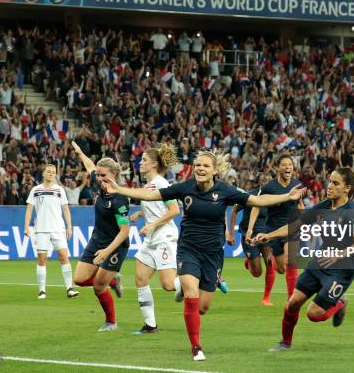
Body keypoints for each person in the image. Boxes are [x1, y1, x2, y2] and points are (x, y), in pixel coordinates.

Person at [102, 149, 305, 361]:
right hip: (188, 248)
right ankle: (196, 347)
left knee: (202, 307)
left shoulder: (225, 190)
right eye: (198, 165)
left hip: (213, 254)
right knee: (191, 294)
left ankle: (198, 285)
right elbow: (153, 195)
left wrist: (287, 196)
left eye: (206, 166)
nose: (200, 168)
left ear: (215, 171)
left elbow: (256, 200)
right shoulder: (185, 187)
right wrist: (120, 189)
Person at [252, 167, 354, 351]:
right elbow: (296, 225)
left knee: (313, 314)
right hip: (320, 263)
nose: (330, 186)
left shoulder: (352, 211)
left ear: (347, 188)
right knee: (292, 304)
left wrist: (340, 253)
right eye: (330, 181)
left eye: (336, 183)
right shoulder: (323, 206)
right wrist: (269, 236)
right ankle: (285, 343)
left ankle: (339, 303)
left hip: (342, 270)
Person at [70, 141, 129, 332]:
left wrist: (106, 251)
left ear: (115, 175)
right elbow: (89, 166)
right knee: (78, 279)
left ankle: (111, 322)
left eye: (104, 176)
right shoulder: (100, 183)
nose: (100, 179)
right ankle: (113, 281)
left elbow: (124, 232)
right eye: (99, 175)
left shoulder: (120, 198)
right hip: (97, 241)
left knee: (97, 287)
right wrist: (79, 152)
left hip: (115, 246)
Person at [131, 144, 182, 334]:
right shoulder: (149, 186)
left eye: (144, 159)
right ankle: (150, 325)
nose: (140, 162)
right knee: (140, 278)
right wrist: (141, 214)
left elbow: (174, 210)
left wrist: (152, 224)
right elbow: (157, 209)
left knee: (168, 285)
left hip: (164, 237)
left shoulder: (161, 183)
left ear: (153, 164)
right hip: (152, 239)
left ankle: (201, 280)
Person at [249, 153, 304, 300]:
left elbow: (300, 204)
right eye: (284, 165)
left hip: (290, 227)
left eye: (290, 165)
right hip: (273, 229)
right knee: (281, 268)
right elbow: (256, 205)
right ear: (277, 168)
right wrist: (250, 229)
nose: (288, 167)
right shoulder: (269, 187)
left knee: (291, 260)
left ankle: (291, 299)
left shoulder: (297, 185)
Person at [24, 164, 78, 299]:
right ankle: (42, 291)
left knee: (64, 257)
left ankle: (69, 289)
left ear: (55, 175)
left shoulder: (59, 190)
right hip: (41, 229)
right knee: (42, 259)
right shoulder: (36, 190)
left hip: (58, 229)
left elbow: (65, 209)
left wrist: (69, 226)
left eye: (53, 172)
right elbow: (29, 209)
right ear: (43, 173)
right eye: (48, 172)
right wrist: (26, 227)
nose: (50, 174)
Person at [227, 174, 276, 306]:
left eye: (269, 180)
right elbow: (234, 211)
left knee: (271, 263)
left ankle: (266, 297)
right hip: (249, 237)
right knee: (257, 273)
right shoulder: (250, 196)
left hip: (267, 236)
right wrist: (231, 234)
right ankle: (249, 263)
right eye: (264, 180)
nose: (266, 182)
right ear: (259, 182)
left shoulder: (275, 199)